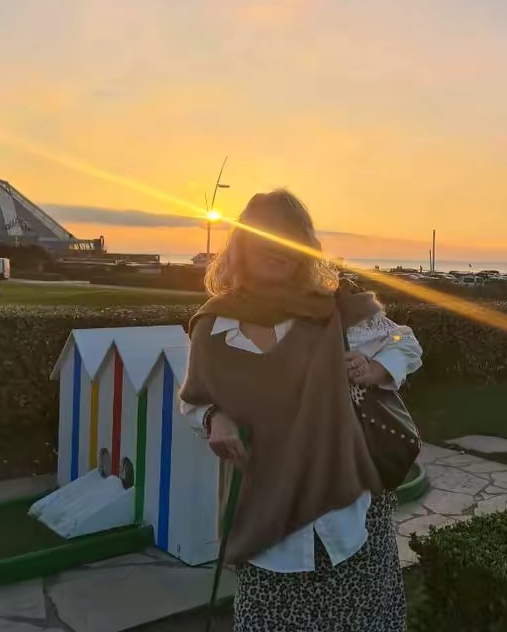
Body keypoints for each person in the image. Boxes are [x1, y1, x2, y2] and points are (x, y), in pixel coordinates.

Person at [179, 189, 423, 632]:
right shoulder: (213, 326)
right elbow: (193, 400)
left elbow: (405, 343)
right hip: (267, 531)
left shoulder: (333, 309)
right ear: (243, 242)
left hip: (351, 525)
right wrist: (216, 418)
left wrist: (375, 368)